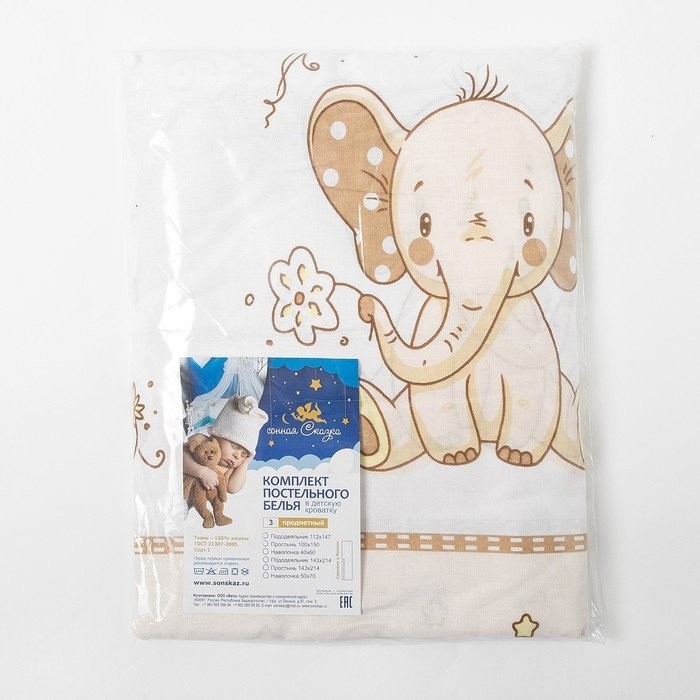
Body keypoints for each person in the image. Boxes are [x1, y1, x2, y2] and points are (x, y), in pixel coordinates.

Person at [183, 395, 268, 496]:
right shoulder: (202, 442)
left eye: (243, 454)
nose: (237, 455)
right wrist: (202, 472)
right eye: (234, 446)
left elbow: (232, 488)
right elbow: (179, 457)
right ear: (217, 435)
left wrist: (245, 463)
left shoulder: (227, 468)